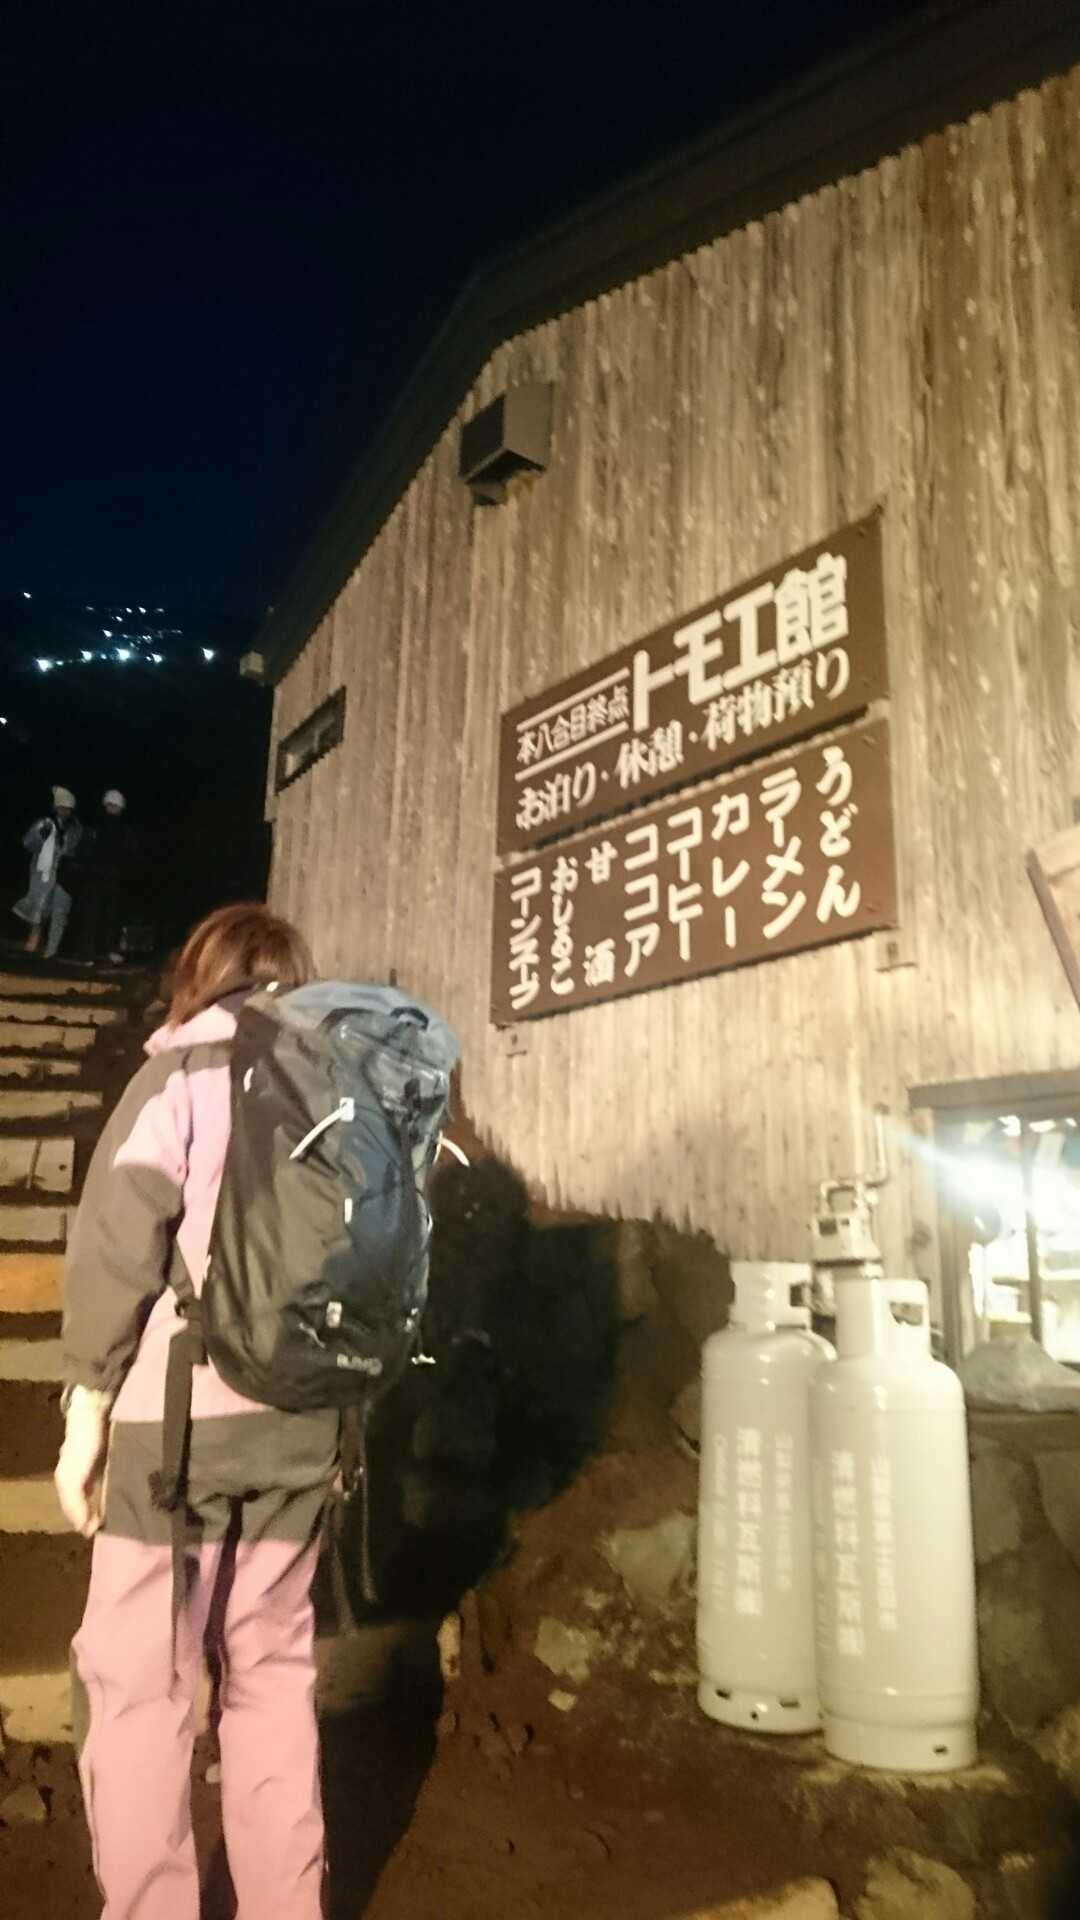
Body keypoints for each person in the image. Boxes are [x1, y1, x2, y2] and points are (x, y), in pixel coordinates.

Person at [55, 902, 339, 1920]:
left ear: (201, 976)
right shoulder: (339, 1089)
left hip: (172, 1436)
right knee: (272, 1678)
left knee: (141, 1690)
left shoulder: (179, 1073)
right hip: (303, 1431)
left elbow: (117, 1246)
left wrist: (85, 1412)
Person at [68, 788, 140, 966]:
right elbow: (84, 850)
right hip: (98, 877)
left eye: (115, 806)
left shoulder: (122, 829)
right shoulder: (97, 827)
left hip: (111, 878)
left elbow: (131, 854)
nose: (113, 808)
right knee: (94, 916)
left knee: (107, 916)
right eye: (111, 805)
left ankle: (102, 951)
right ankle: (88, 953)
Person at [13, 785, 83, 958]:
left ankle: (51, 950)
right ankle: (33, 942)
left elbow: (77, 850)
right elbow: (27, 843)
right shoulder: (45, 823)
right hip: (43, 874)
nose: (64, 811)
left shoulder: (76, 827)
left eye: (68, 808)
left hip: (65, 875)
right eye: (61, 807)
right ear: (55, 807)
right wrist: (39, 836)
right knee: (39, 910)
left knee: (60, 912)